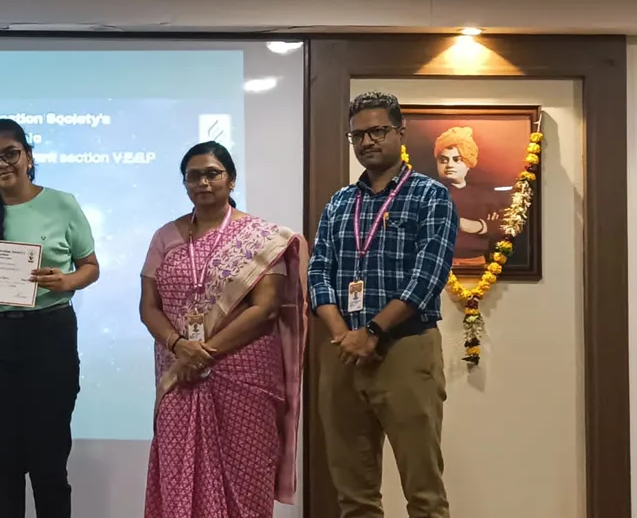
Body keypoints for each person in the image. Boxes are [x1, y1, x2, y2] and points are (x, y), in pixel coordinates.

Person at [308, 91, 458, 518]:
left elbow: (426, 278)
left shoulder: (430, 196)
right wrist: (344, 336)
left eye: (378, 131)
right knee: (354, 496)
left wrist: (372, 332)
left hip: (404, 349)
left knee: (423, 493)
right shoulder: (339, 203)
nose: (367, 142)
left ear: (400, 132)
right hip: (343, 353)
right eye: (358, 135)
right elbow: (318, 273)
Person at [139, 141, 309, 518]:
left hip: (244, 373)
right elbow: (149, 306)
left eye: (212, 173)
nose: (203, 182)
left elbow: (265, 308)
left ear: (231, 180)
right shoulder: (164, 237)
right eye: (193, 176)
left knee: (245, 479)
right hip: (178, 373)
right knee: (178, 475)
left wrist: (204, 351)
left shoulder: (261, 238)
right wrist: (180, 346)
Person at [0, 118, 99, 518]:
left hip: (50, 333)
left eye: (11, 153)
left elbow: (90, 266)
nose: (3, 164)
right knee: (3, 461)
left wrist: (66, 279)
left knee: (49, 460)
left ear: (28, 156)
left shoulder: (62, 203)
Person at [432, 126, 505, 267]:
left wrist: (479, 226)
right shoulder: (430, 194)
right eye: (444, 160)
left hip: (476, 264)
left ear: (468, 163)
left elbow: (502, 229)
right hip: (437, 265)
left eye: (457, 159)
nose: (449, 165)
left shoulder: (485, 197)